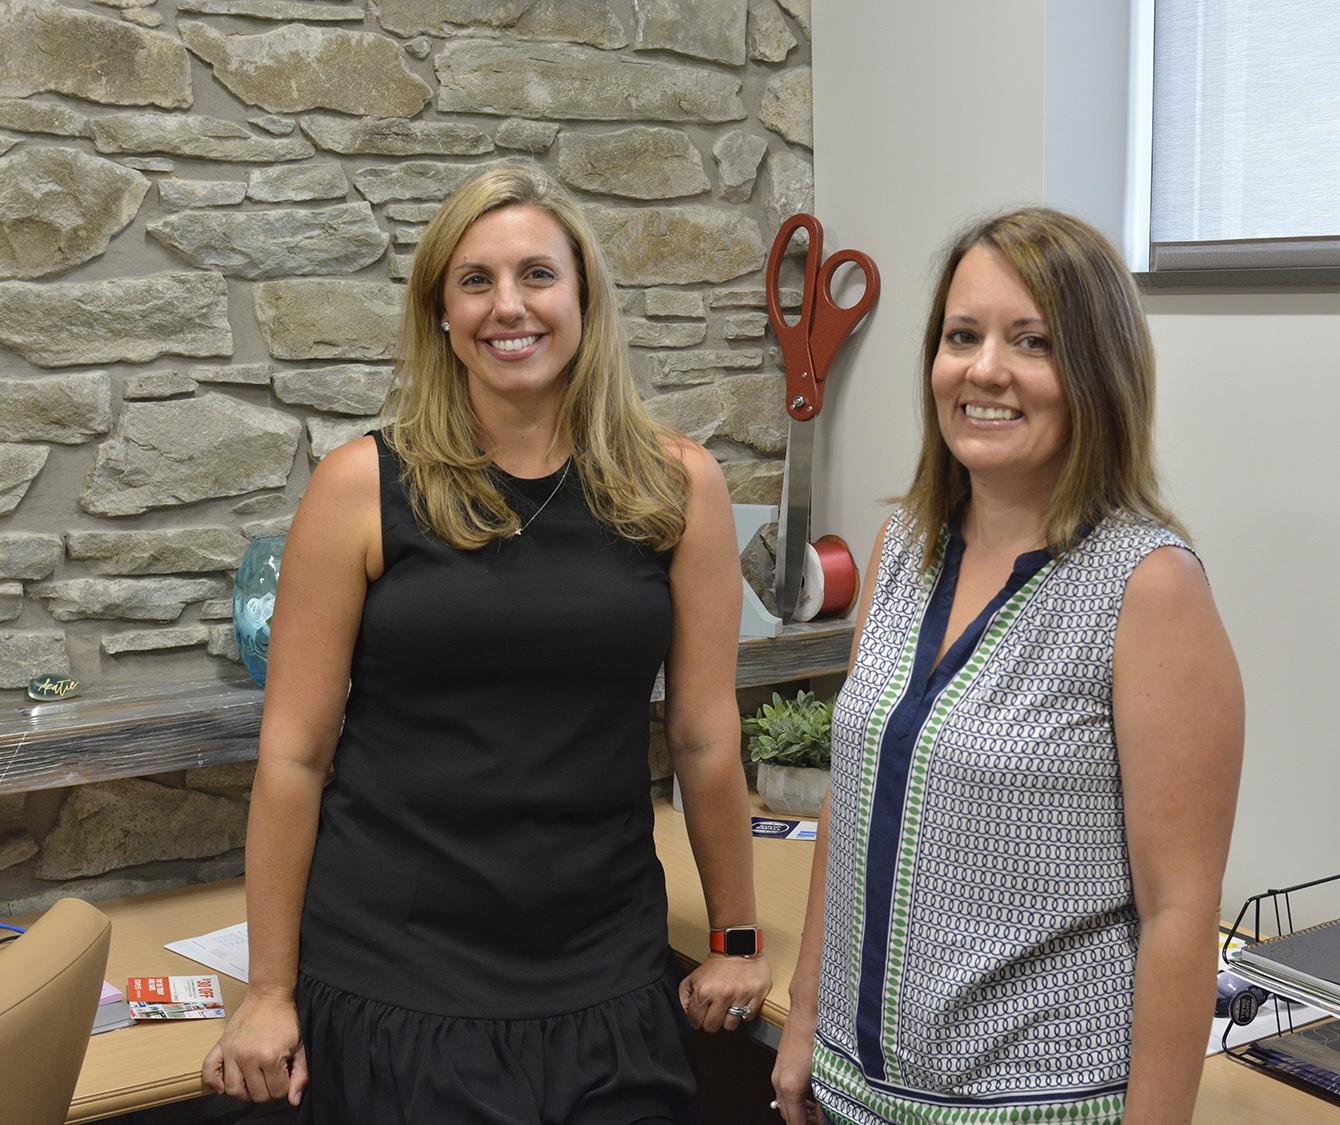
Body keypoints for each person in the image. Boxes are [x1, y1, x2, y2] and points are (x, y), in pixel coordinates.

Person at [203, 161, 771, 1123]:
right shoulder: (359, 488)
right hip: (399, 974)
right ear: (440, 313)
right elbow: (294, 756)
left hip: (605, 970)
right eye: (476, 281)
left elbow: (709, 740)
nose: (510, 306)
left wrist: (737, 938)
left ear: (584, 294)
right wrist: (267, 991)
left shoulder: (677, 487)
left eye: (538, 275)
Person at [770, 209, 1243, 1125]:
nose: (985, 369)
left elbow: (1182, 915)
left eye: (1033, 341)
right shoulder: (904, 549)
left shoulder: (1147, 589)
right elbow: (852, 799)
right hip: (858, 1095)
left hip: (1036, 1106)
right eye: (962, 335)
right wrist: (807, 1018)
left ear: (1095, 374)